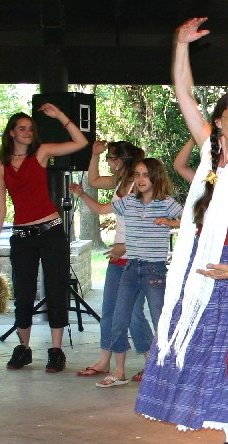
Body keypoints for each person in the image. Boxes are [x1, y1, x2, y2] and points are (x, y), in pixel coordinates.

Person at [134, 17, 228, 444]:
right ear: (218, 123)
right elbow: (184, 93)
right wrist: (179, 44)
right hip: (203, 260)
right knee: (207, 346)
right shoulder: (211, 153)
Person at [0, 103, 89, 373]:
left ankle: (56, 351)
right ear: (11, 133)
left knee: (56, 289)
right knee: (23, 293)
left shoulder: (41, 154)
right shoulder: (2, 166)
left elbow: (80, 142)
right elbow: (1, 207)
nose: (27, 132)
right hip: (22, 236)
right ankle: (24, 348)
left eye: (31, 128)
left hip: (50, 231)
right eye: (22, 128)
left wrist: (60, 116)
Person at [70, 157, 182, 388]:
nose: (140, 179)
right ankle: (119, 372)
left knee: (160, 318)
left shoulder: (166, 203)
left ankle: (165, 369)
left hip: (154, 270)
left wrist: (170, 223)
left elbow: (192, 219)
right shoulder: (128, 201)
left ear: (155, 177)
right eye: (137, 175)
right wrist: (81, 194)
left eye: (145, 175)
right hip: (130, 268)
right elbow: (101, 209)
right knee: (119, 319)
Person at [74, 140, 154, 383]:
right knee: (109, 311)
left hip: (138, 257)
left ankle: (152, 361)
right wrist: (94, 155)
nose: (108, 161)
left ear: (121, 161)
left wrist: (126, 246)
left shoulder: (140, 186)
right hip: (119, 258)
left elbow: (148, 225)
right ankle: (105, 359)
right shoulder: (121, 182)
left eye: (110, 157)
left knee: (133, 314)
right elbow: (94, 180)